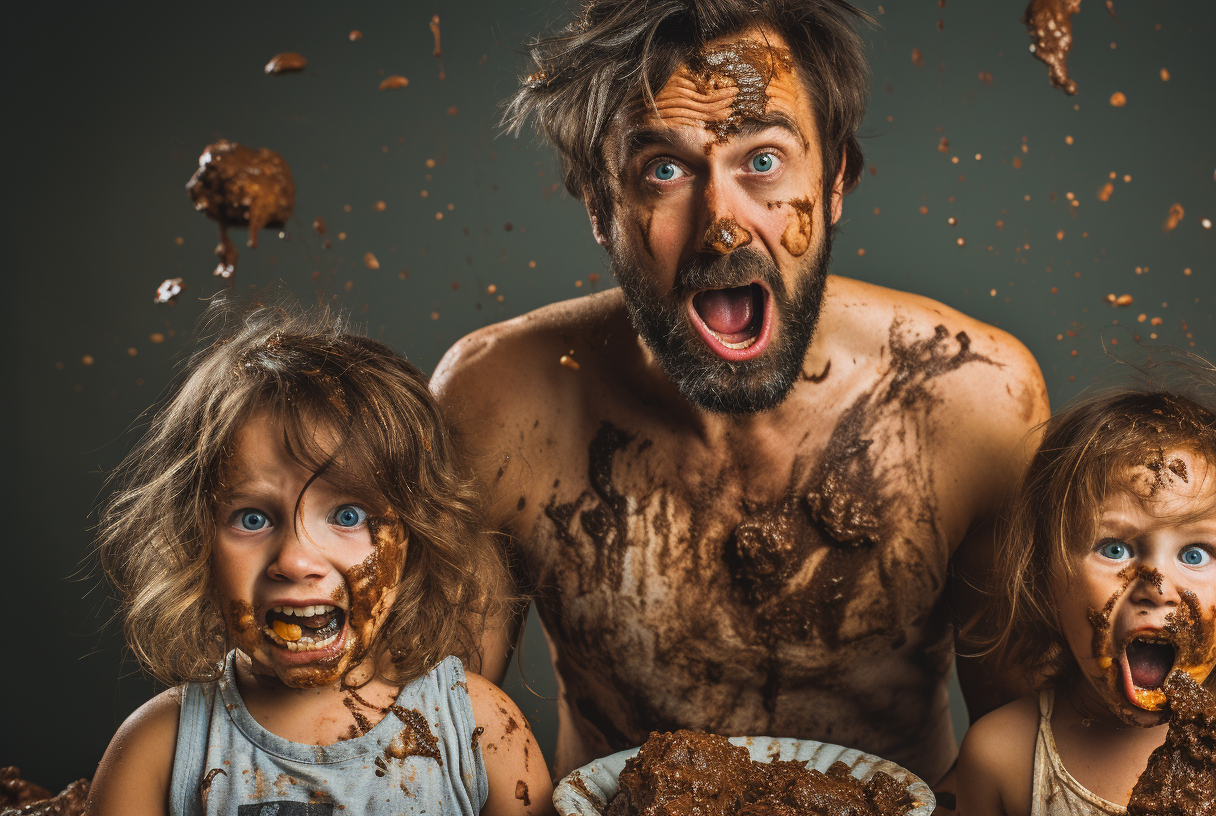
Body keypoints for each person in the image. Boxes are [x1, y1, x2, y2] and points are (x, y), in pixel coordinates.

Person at [432, 0, 1048, 785]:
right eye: (663, 170)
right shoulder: (496, 404)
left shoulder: (974, 400)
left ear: (834, 183)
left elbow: (1034, 760)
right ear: (599, 205)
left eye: (762, 161)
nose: (721, 223)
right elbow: (437, 747)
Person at [87, 304, 551, 816]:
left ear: (416, 540)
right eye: (252, 519)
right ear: (196, 545)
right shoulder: (159, 752)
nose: (295, 559)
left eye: (348, 515)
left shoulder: (482, 733)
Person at [954, 384, 1216, 815]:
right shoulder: (1001, 757)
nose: (1157, 584)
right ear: (1045, 584)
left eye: (1194, 554)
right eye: (1115, 548)